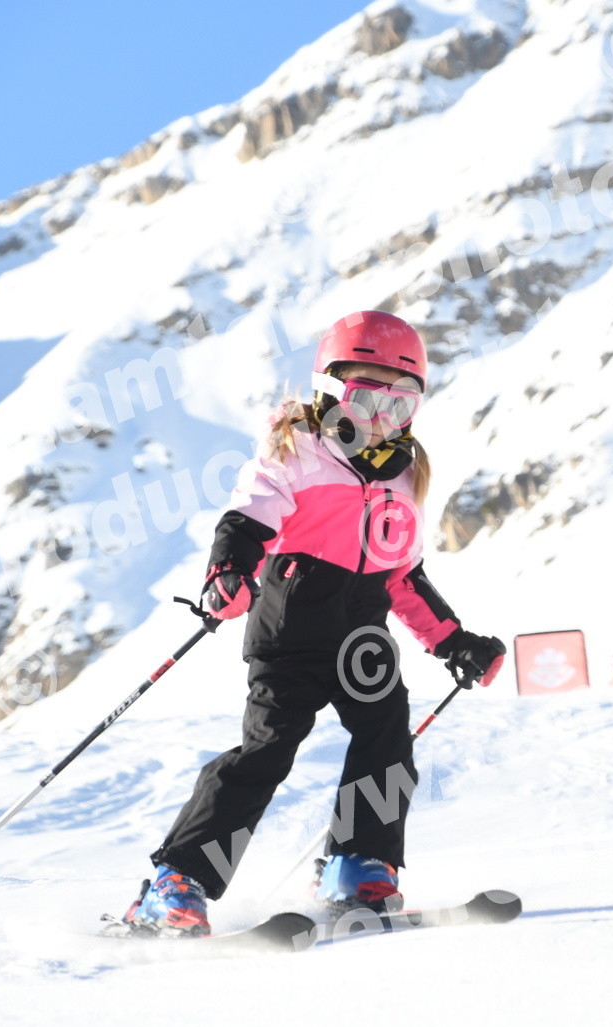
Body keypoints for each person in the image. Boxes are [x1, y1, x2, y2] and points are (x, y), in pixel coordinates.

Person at [121, 311, 506, 936]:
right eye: (365, 398)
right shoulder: (296, 451)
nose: (380, 418)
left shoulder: (404, 475)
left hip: (364, 641)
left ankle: (357, 866)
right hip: (290, 634)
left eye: (399, 404)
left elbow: (403, 576)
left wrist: (453, 641)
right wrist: (229, 571)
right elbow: (248, 519)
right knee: (267, 752)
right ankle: (177, 881)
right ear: (329, 389)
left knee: (388, 742)